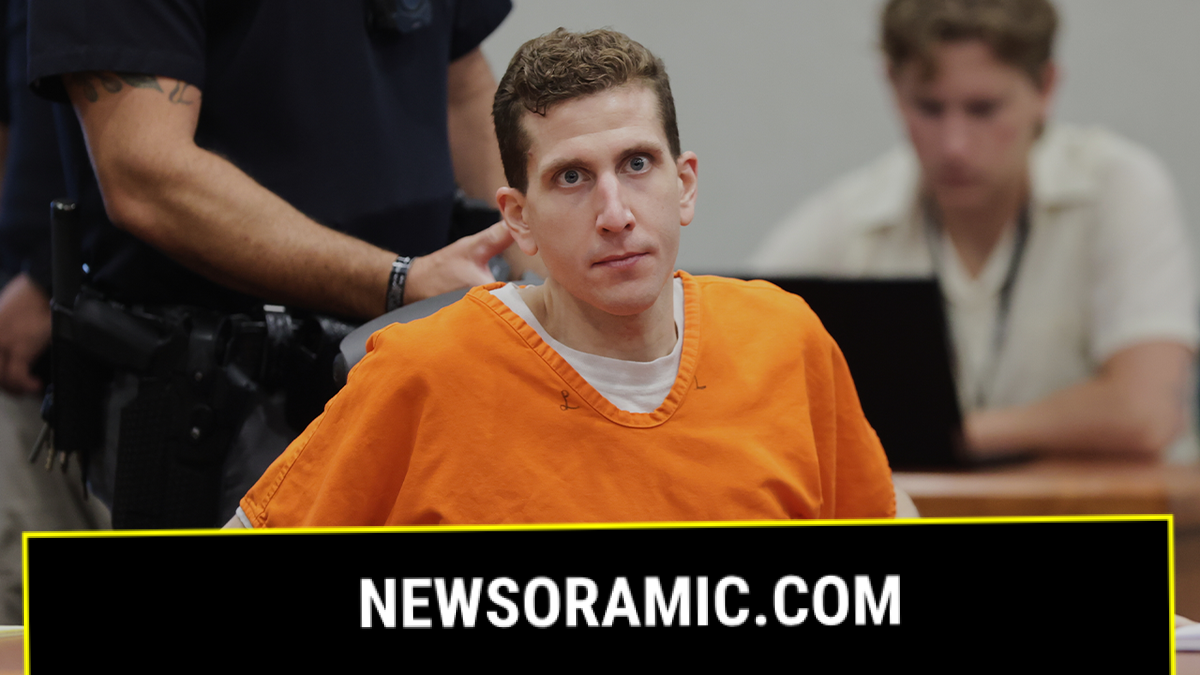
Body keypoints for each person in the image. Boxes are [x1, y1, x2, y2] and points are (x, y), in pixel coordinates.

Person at [228, 28, 897, 528]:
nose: (614, 214)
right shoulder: (420, 372)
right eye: (571, 177)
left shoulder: (786, 340)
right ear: (519, 220)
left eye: (637, 163)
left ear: (684, 184)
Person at [24, 0, 529, 527]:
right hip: (226, 408)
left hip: (422, 368)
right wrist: (400, 281)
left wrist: (529, 262)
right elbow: (144, 174)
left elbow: (462, 82)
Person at [749, 0, 1198, 461]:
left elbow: (1149, 412)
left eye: (983, 109)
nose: (954, 145)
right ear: (893, 88)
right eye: (929, 108)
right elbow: (739, 371)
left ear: (1045, 87)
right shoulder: (846, 222)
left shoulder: (1117, 187)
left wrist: (950, 434)